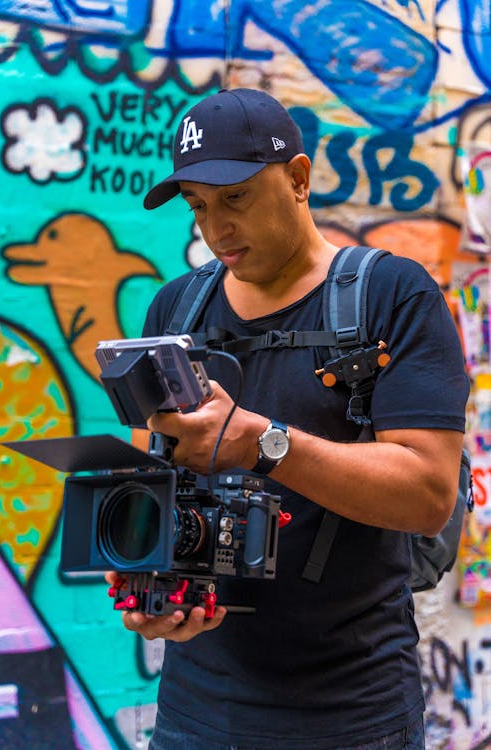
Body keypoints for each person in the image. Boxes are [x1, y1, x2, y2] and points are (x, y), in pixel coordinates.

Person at [109, 88, 469, 749]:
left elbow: (428, 494)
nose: (214, 229)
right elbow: (156, 484)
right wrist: (150, 576)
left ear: (298, 178)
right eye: (198, 207)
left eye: (235, 198)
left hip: (352, 716)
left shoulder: (394, 295)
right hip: (195, 715)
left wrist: (263, 445)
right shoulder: (174, 313)